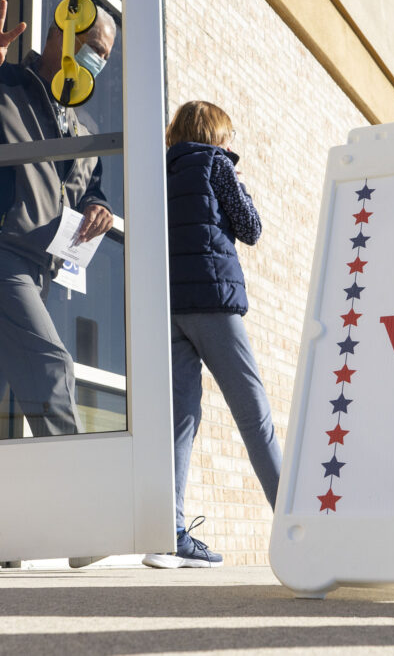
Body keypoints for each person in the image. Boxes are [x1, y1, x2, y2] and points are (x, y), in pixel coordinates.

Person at [0, 0, 115, 440]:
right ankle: (79, 495)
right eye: (95, 48)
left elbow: (91, 191)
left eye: (106, 57)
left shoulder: (83, 132)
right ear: (60, 37)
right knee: (53, 368)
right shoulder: (6, 83)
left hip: (40, 274)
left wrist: (99, 209)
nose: (100, 62)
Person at [143, 101, 282, 569]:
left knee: (181, 420)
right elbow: (251, 228)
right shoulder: (216, 164)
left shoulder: (156, 170)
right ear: (216, 134)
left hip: (168, 308)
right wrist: (239, 183)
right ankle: (296, 523)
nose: (231, 144)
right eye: (229, 135)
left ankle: (170, 535)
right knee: (254, 414)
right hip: (212, 303)